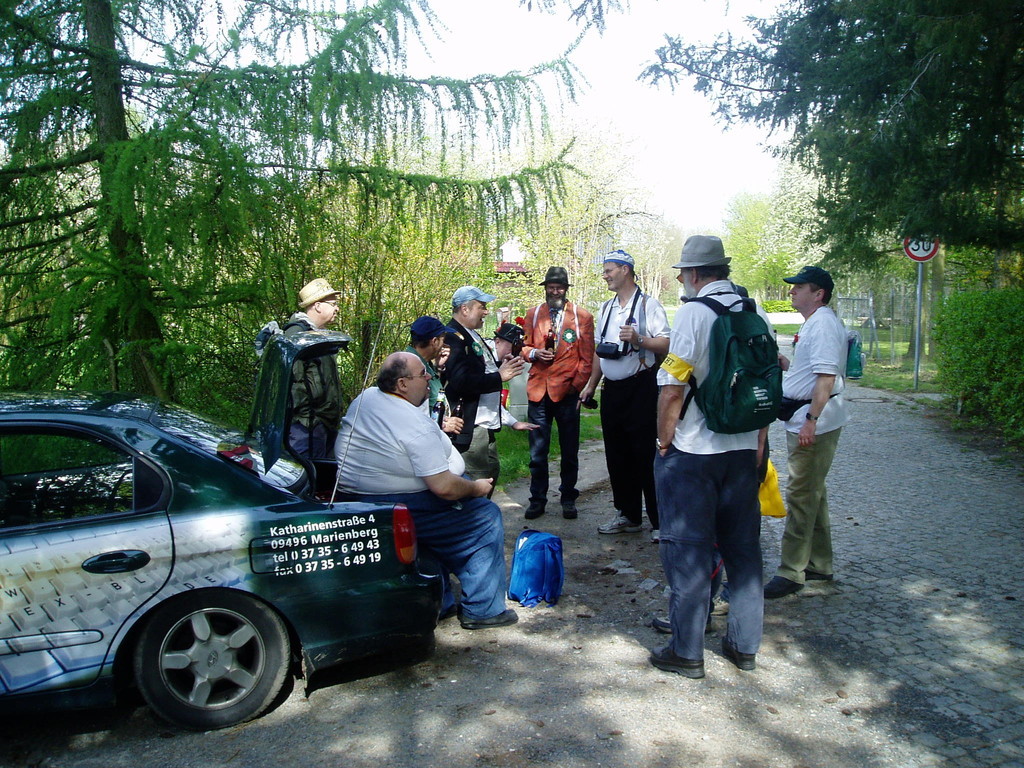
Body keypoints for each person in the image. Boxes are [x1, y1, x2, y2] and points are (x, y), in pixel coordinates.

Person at [650, 235, 767, 678]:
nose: (683, 279)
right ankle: (744, 647)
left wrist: (664, 442)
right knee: (744, 553)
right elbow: (763, 387)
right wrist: (759, 443)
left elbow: (672, 387)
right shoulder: (753, 313)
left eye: (683, 272)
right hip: (742, 450)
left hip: (695, 452)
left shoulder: (693, 313)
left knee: (688, 553)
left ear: (695, 274)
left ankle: (686, 652)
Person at [334, 352, 518, 630]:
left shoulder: (367, 398)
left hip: (356, 498)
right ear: (402, 384)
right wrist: (475, 488)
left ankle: (439, 601)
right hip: (399, 504)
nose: (430, 377)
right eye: (423, 374)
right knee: (484, 515)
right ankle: (483, 609)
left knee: (440, 523)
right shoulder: (411, 423)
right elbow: (444, 487)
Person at [763, 266, 851, 599]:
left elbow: (826, 377)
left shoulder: (823, 324)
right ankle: (819, 563)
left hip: (813, 420)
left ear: (818, 294)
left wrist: (812, 420)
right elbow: (814, 371)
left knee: (801, 495)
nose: (792, 291)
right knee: (814, 492)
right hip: (806, 416)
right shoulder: (815, 322)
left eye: (799, 287)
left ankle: (791, 571)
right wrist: (790, 366)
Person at [579, 250, 669, 540]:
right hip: (613, 390)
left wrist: (639, 339)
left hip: (641, 387)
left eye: (609, 270)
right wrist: (591, 384)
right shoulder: (606, 307)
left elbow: (666, 344)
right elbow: (600, 351)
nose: (604, 275)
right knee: (617, 454)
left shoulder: (648, 305)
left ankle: (659, 521)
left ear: (625, 270)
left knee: (645, 454)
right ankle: (628, 514)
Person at [520, 266, 595, 521]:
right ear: (545, 289)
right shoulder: (533, 314)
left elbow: (587, 358)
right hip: (538, 392)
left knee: (569, 450)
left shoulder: (581, 317)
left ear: (565, 289)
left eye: (559, 288)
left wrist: (575, 387)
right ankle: (537, 499)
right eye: (551, 287)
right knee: (537, 452)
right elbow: (523, 347)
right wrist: (534, 353)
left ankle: (568, 498)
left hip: (567, 393)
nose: (554, 292)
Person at [443, 286, 531, 486]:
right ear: (465, 309)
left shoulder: (471, 334)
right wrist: (499, 377)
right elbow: (461, 382)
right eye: (481, 307)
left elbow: (479, 370)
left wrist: (501, 366)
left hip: (486, 424)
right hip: (472, 426)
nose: (486, 312)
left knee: (490, 473)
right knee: (475, 482)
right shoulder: (452, 337)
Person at [285, 278, 343, 459]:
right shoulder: (298, 336)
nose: (337, 308)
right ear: (317, 306)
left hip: (322, 426)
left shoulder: (318, 335)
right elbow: (293, 385)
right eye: (333, 304)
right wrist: (311, 421)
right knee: (306, 472)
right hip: (305, 429)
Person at [406, 315, 463, 436]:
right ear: (435, 341)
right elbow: (408, 413)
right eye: (443, 339)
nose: (444, 344)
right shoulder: (409, 367)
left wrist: (437, 367)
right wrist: (442, 423)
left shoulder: (423, 363)